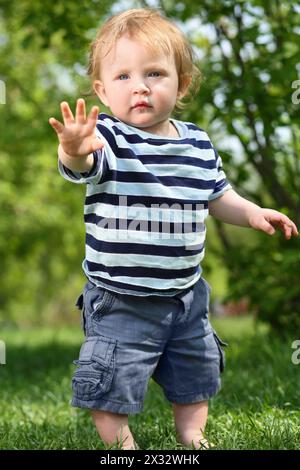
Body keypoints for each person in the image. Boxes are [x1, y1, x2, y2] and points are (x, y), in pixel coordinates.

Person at [49, 9, 298, 451]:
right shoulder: (107, 137)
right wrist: (73, 150)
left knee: (196, 371)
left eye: (155, 73)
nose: (140, 85)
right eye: (123, 76)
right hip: (121, 296)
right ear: (103, 91)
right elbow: (83, 166)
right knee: (112, 376)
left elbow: (218, 195)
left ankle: (192, 435)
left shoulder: (197, 144)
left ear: (181, 84)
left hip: (186, 295)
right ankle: (122, 446)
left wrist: (254, 211)